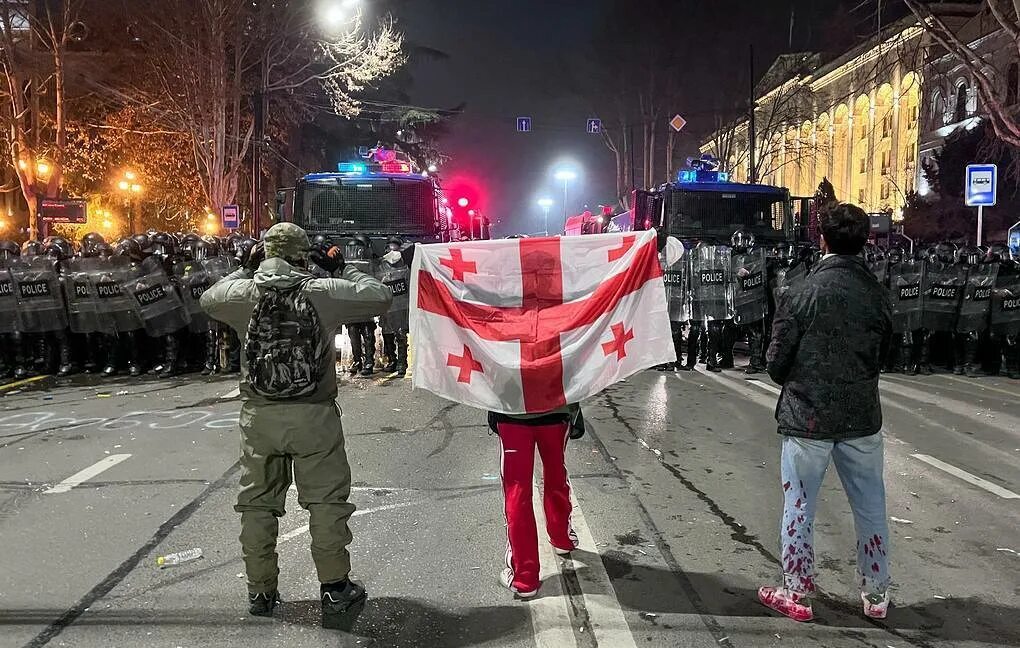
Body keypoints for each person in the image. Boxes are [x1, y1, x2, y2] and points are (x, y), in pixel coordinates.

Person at [200, 223, 392, 626]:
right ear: (305, 255)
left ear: (264, 253)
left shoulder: (243, 294)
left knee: (257, 504)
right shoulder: (322, 293)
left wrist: (242, 268)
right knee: (325, 502)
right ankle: (335, 588)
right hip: (314, 416)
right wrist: (343, 269)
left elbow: (207, 299)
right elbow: (381, 296)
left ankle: (260, 591)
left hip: (259, 416)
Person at [761, 203, 894, 622]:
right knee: (870, 504)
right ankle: (876, 594)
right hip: (860, 416)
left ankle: (796, 591)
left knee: (799, 504)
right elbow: (884, 354)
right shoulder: (877, 294)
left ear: (822, 239)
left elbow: (776, 362)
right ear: (865, 241)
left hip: (807, 418)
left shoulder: (801, 292)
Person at [487, 404, 584, 598]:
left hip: (512, 413)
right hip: (556, 410)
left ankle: (524, 577)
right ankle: (562, 538)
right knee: (556, 475)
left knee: (517, 492)